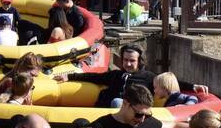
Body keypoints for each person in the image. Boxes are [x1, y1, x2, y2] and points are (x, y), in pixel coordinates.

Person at [81, 45, 209, 107]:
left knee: (117, 102)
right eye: (125, 60)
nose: (128, 63)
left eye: (132, 61)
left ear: (140, 61)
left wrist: (193, 86)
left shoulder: (148, 77)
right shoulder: (116, 75)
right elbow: (93, 77)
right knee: (112, 99)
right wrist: (69, 77)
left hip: (132, 112)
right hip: (108, 113)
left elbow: (168, 82)